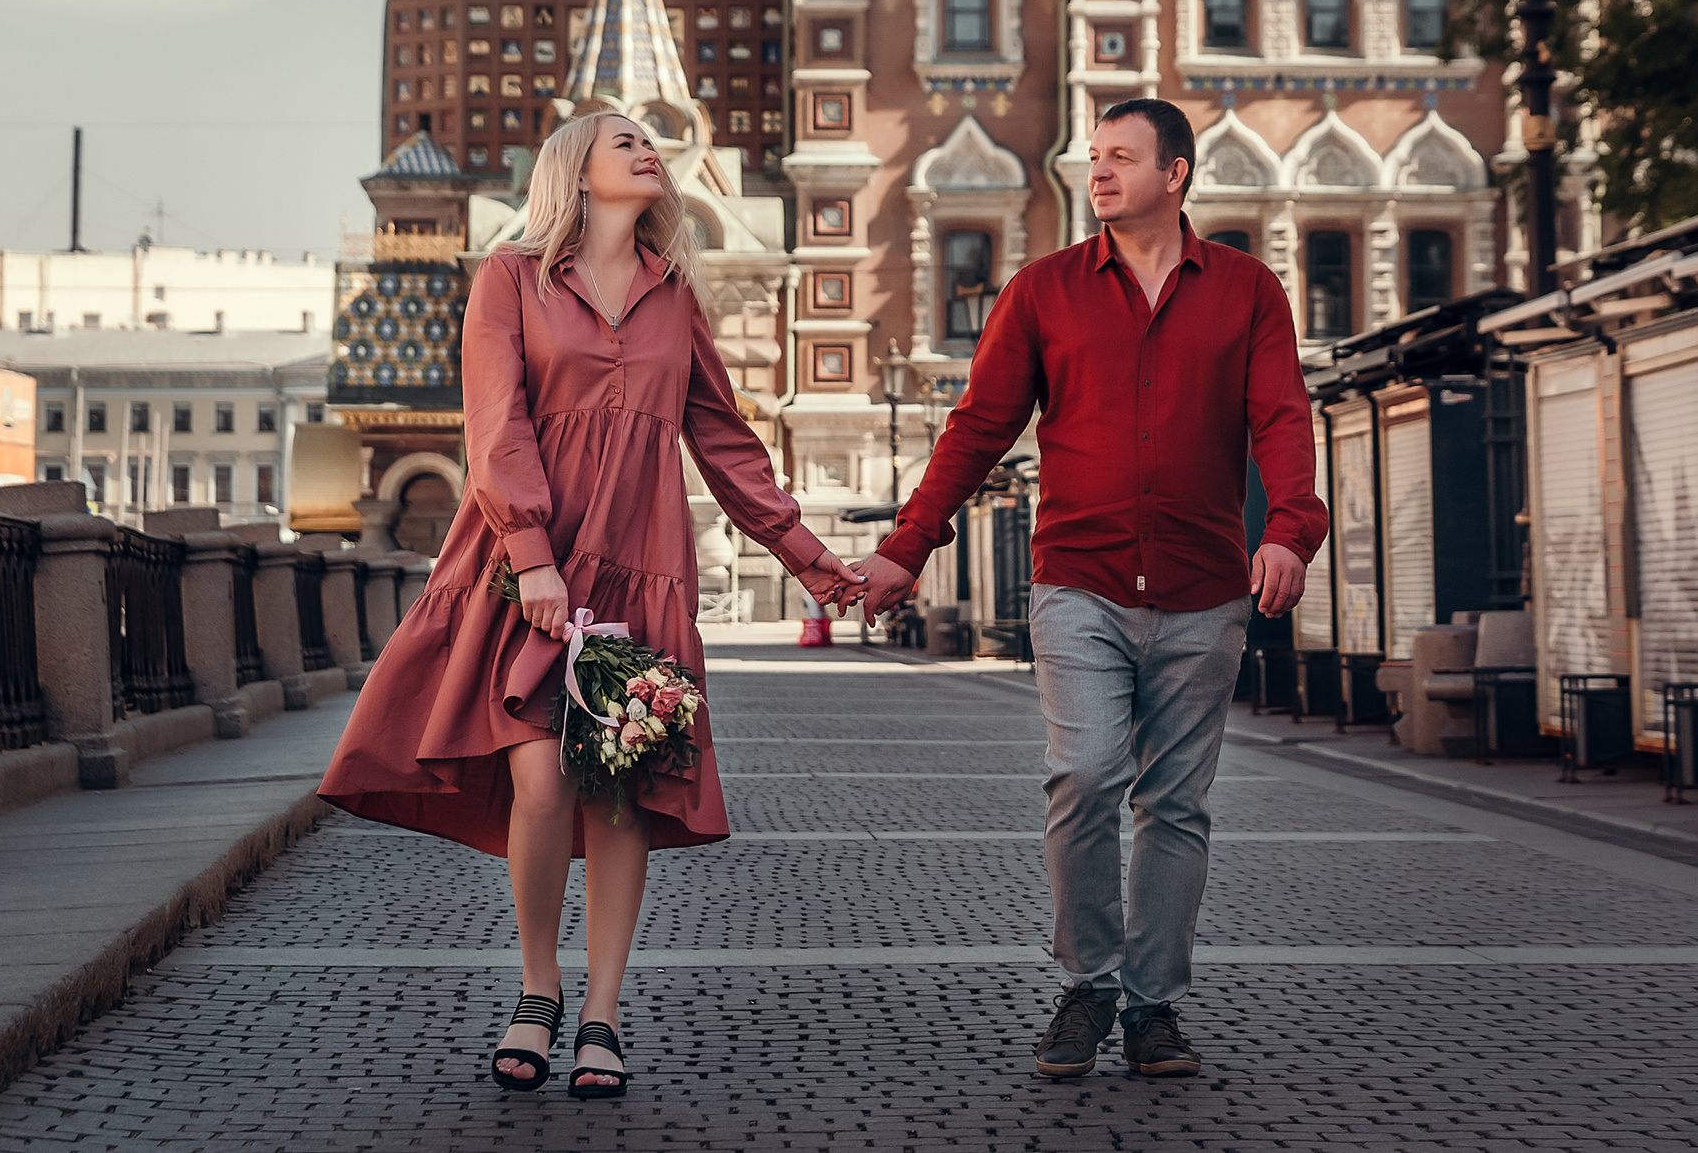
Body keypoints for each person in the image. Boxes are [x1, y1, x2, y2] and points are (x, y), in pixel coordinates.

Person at [319, 111, 857, 1099]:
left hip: (642, 565)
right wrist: (532, 556)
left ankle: (603, 1010)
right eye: (623, 140)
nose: (646, 148)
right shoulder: (511, 278)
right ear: (575, 168)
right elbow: (496, 426)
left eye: (652, 140)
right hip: (532, 568)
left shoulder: (674, 294)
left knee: (617, 792)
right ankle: (538, 986)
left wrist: (814, 560)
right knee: (540, 782)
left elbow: (726, 445)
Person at [848, 98, 1326, 1079]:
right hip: (1079, 583)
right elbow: (978, 428)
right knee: (1087, 772)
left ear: (1176, 172)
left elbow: (1279, 416)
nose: (1097, 171)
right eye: (1094, 155)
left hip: (1204, 587)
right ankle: (1088, 982)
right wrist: (909, 543)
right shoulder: (1043, 292)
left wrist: (1289, 528)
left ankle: (1153, 1005)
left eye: (1120, 156)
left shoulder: (1246, 291)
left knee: (1177, 803)